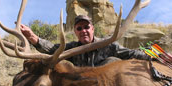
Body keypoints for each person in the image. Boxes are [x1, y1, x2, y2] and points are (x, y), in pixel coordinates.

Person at [20, 15, 150, 67]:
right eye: (79, 28)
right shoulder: (72, 48)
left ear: (92, 29)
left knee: (112, 61)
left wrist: (154, 57)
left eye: (87, 27)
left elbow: (131, 54)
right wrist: (32, 37)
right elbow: (52, 49)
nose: (83, 30)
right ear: (75, 32)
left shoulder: (108, 45)